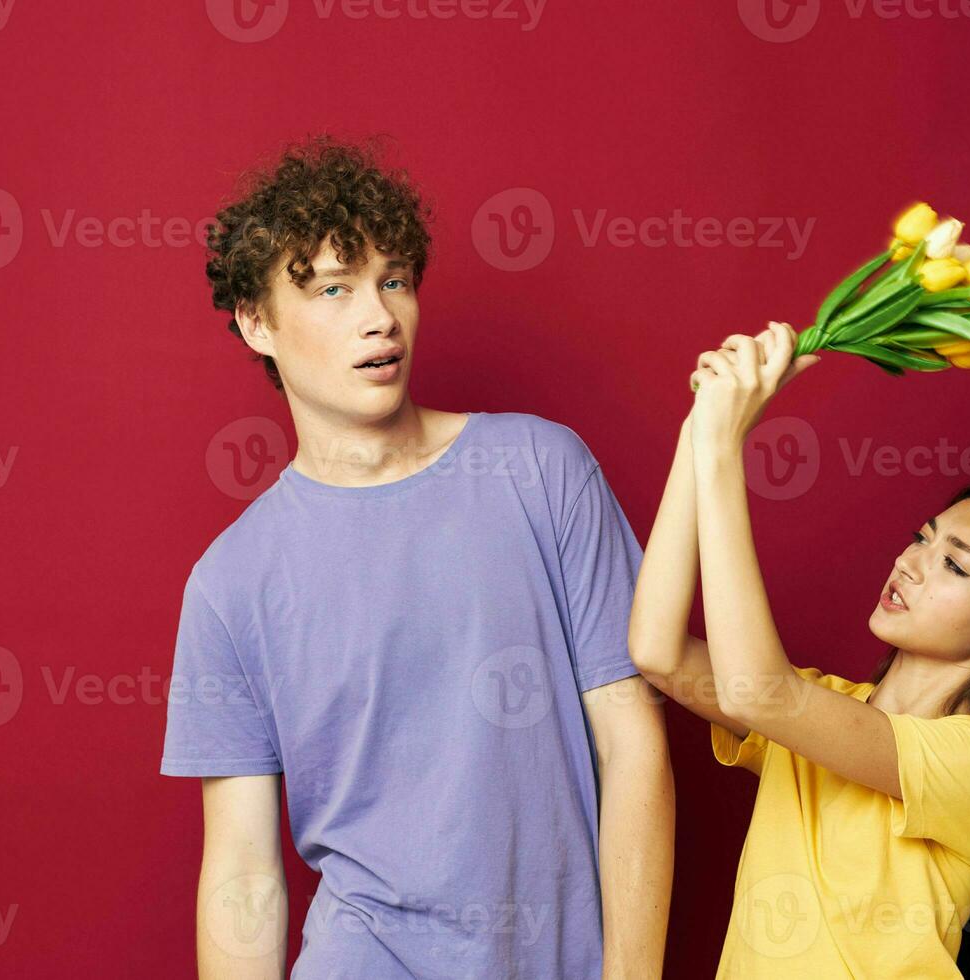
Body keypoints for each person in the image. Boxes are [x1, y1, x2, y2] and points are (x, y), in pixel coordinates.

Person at [160, 135, 673, 979]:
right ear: (257, 322)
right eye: (333, 289)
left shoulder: (542, 470)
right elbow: (244, 873)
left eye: (393, 280)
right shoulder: (231, 583)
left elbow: (634, 745)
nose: (380, 318)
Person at [629, 322, 970, 978]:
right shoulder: (820, 712)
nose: (911, 563)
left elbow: (755, 691)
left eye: (955, 566)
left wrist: (724, 444)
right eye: (922, 538)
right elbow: (656, 651)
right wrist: (699, 428)